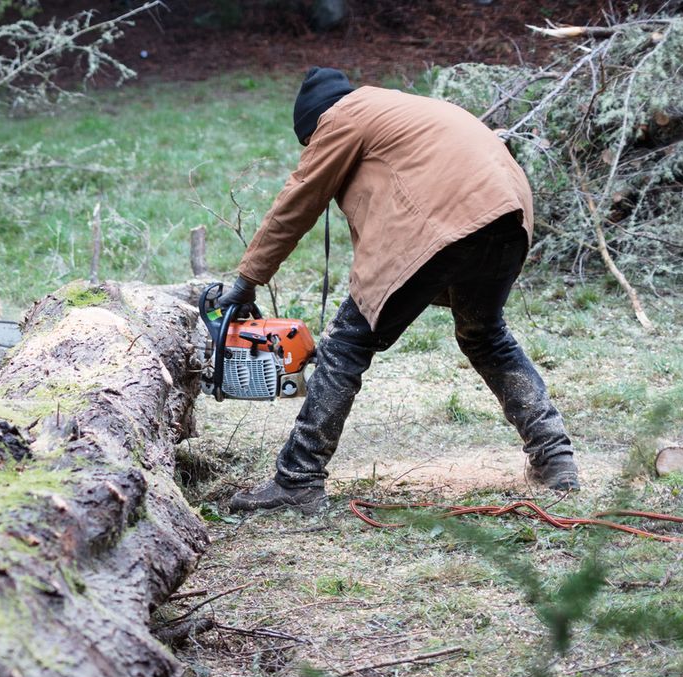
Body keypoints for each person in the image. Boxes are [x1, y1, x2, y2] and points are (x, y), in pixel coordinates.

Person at [216, 68, 580, 514]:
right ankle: (555, 458)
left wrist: (248, 279)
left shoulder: (342, 115)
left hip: (444, 216)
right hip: (508, 212)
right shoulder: (399, 107)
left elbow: (300, 197)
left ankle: (298, 479)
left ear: (315, 125)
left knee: (346, 345)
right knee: (485, 335)